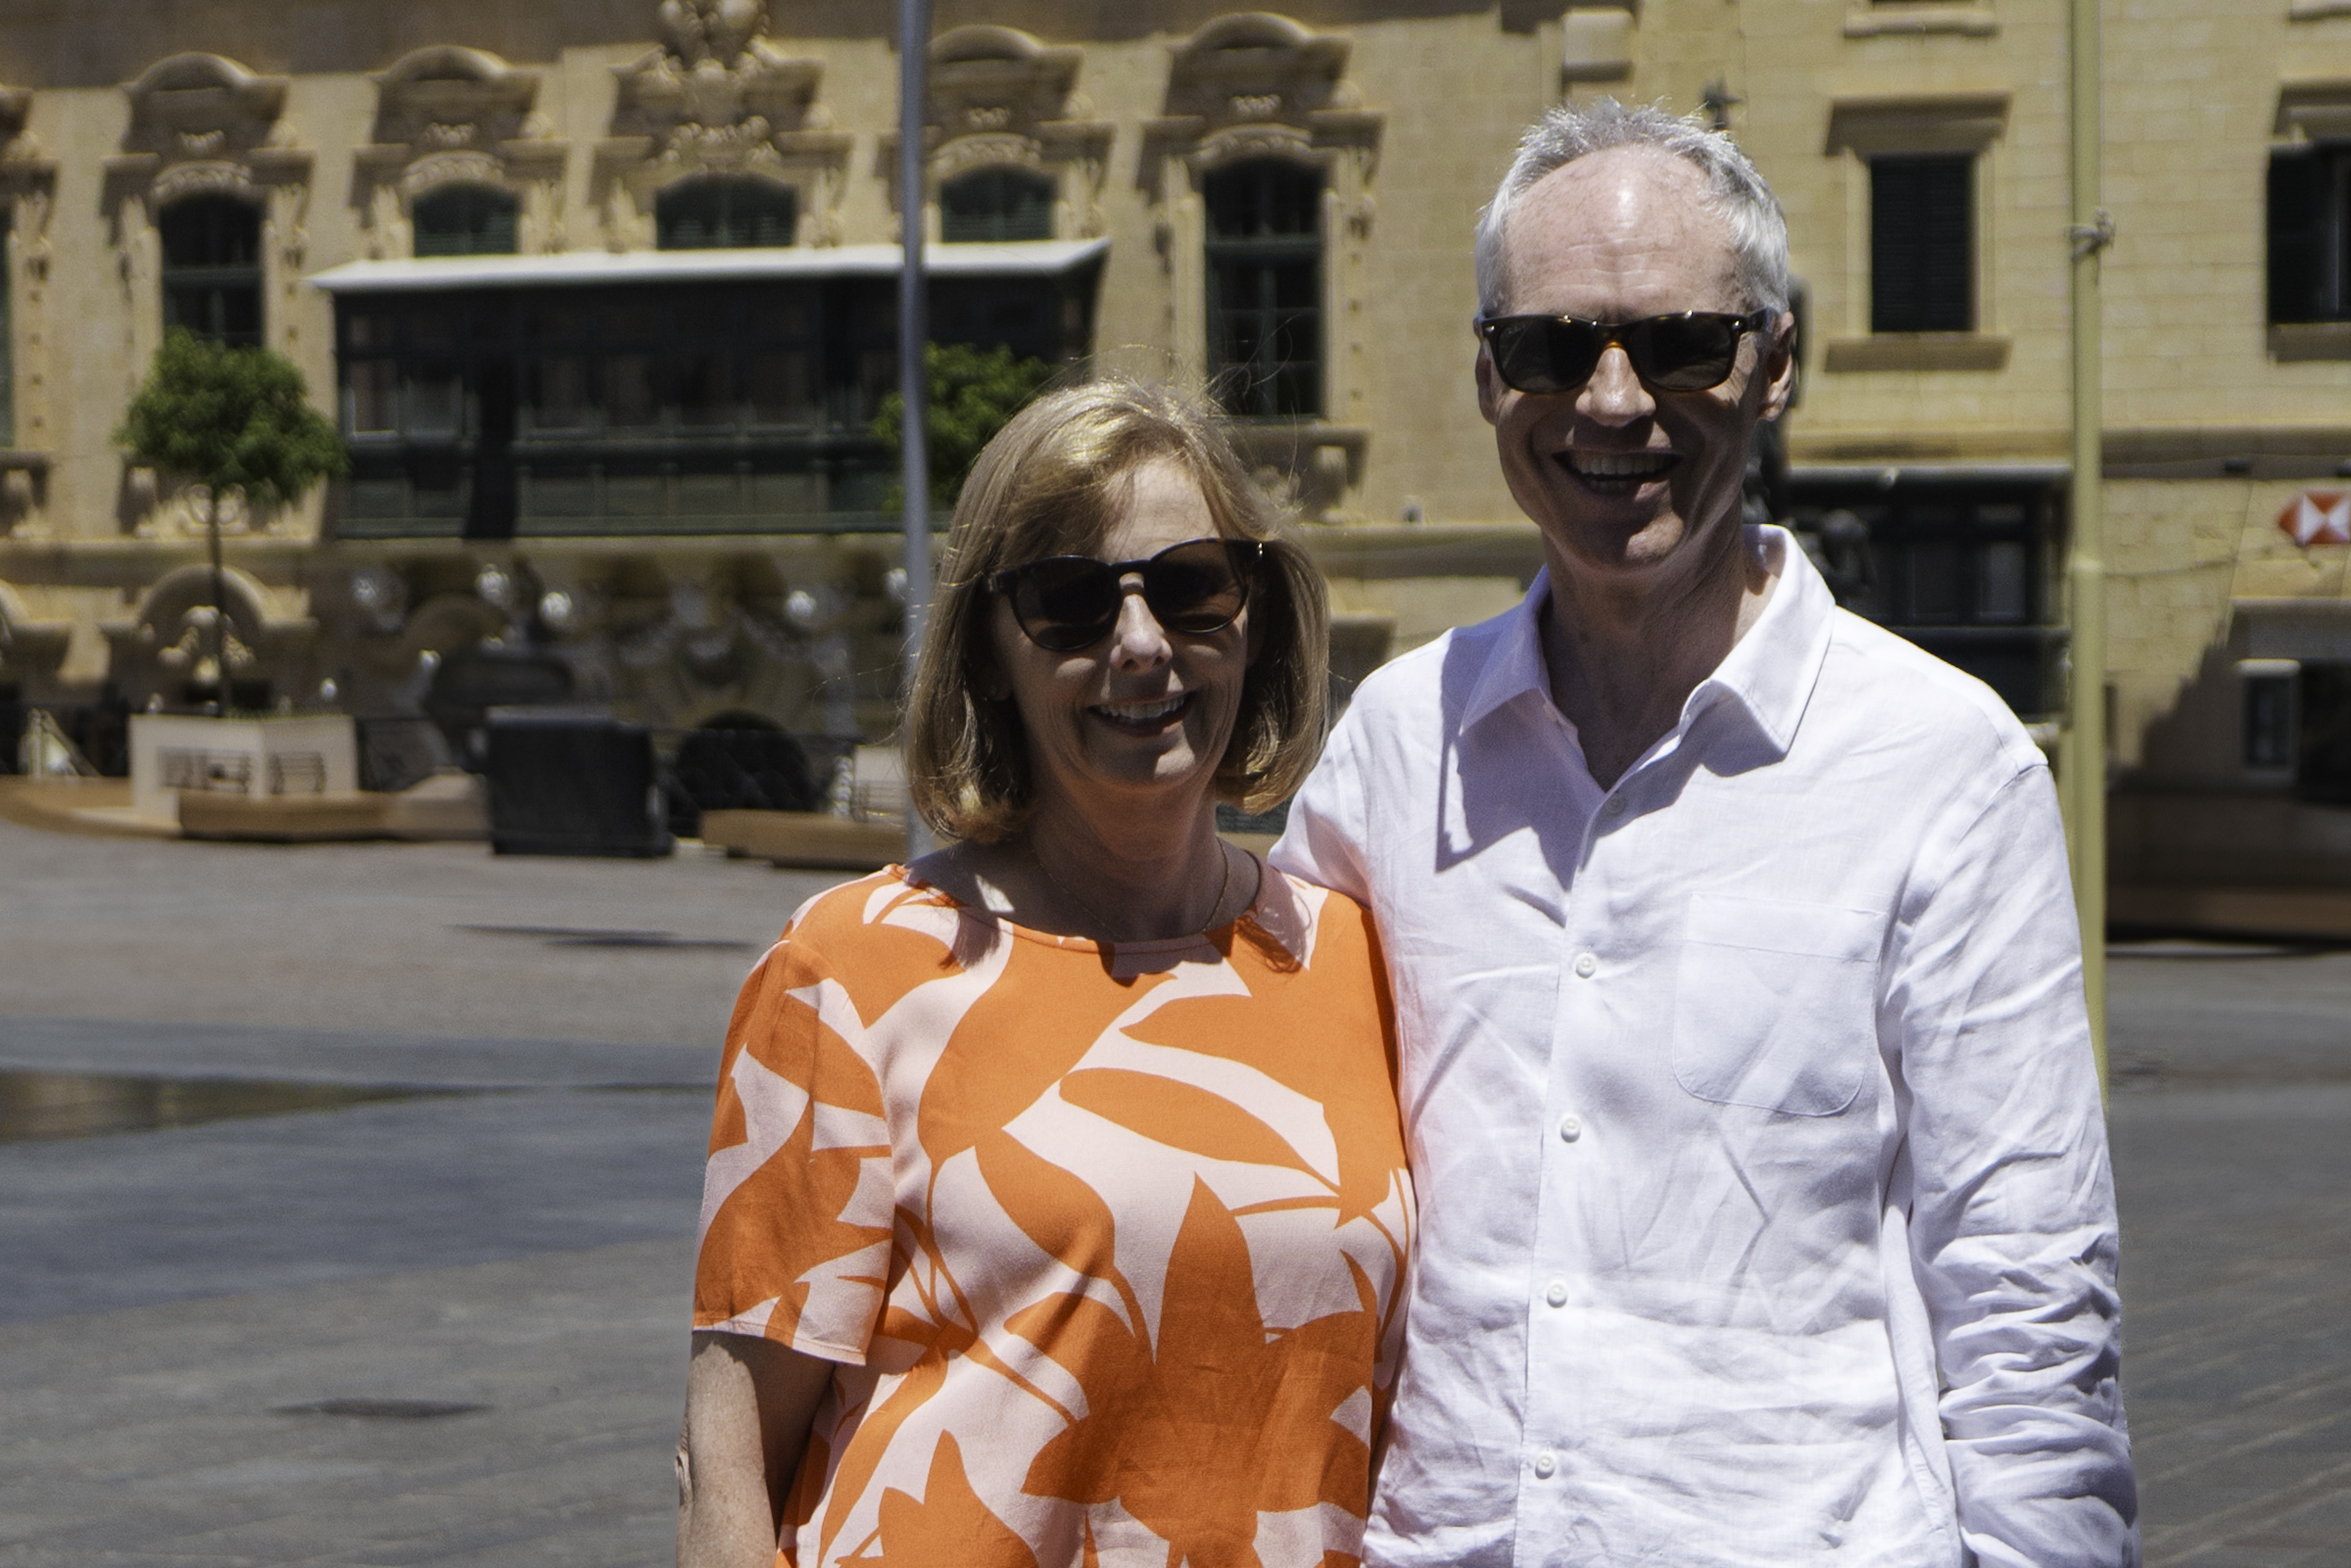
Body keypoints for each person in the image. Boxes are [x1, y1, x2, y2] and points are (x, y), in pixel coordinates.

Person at [1271, 101, 2135, 1567]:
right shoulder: (1391, 752)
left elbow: (2027, 1286)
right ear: (1490, 378)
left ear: (1773, 364)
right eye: (1553, 348)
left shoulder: (1943, 765)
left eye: (1678, 343)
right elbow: (1265, 1162)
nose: (1613, 401)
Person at [675, 379, 1414, 1568]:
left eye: (1190, 586)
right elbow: (730, 1462)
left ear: (1256, 613)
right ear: (991, 654)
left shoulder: (1357, 961)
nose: (1140, 642)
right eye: (1070, 603)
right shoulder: (850, 969)